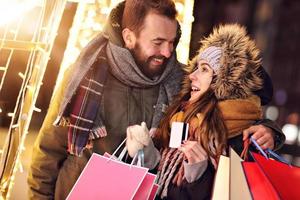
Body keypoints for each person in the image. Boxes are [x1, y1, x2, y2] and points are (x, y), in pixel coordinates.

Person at [27, 0, 281, 199]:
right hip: (78, 192)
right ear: (129, 37)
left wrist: (269, 130)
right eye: (158, 42)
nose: (168, 52)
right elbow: (48, 153)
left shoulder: (182, 81)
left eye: (172, 42)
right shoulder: (85, 76)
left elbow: (237, 101)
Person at [125, 24, 285, 200]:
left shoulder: (244, 138)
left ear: (225, 83)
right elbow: (161, 185)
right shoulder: (180, 117)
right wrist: (147, 156)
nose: (192, 75)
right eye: (196, 68)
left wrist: (199, 177)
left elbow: (235, 195)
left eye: (204, 69)